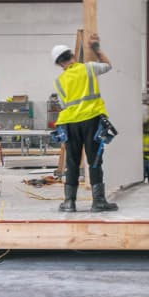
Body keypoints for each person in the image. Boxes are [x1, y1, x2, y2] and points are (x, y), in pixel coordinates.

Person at [52, 38, 117, 213]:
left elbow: (62, 104)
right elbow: (108, 65)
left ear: (59, 64)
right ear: (72, 55)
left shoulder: (59, 81)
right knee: (94, 161)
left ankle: (69, 202)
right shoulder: (88, 68)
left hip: (69, 124)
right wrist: (96, 49)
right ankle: (98, 202)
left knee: (72, 163)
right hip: (92, 119)